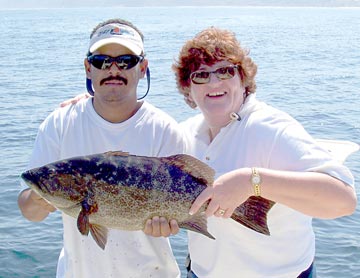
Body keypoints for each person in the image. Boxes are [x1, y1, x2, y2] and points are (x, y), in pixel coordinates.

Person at [169, 27, 357, 278]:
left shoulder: (272, 130)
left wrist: (252, 181)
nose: (214, 82)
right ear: (188, 88)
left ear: (243, 79)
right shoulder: (183, 135)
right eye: (201, 76)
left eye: (225, 71)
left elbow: (343, 200)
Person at [18, 18, 184, 278]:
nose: (113, 70)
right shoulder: (60, 123)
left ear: (143, 68)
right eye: (102, 61)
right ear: (88, 68)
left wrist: (170, 224)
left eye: (126, 61)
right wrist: (42, 198)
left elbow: (185, 202)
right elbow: (29, 210)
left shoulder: (165, 129)